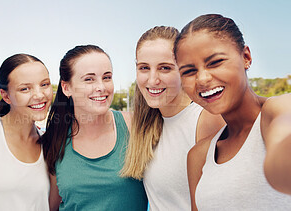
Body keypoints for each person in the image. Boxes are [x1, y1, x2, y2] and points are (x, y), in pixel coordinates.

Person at [174, 14, 291, 210]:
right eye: (188, 71)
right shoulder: (198, 155)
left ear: (246, 57)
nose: (202, 79)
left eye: (215, 62)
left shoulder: (276, 110)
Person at [120, 26, 224, 210]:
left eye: (165, 68)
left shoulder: (206, 121)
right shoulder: (144, 127)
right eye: (144, 68)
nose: (152, 80)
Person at [40, 45, 148, 210]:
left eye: (107, 77)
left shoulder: (134, 126)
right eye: (89, 79)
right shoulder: (54, 139)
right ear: (66, 87)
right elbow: (51, 205)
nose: (101, 87)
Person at [0, 53, 53, 210]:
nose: (39, 95)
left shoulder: (49, 144)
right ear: (6, 96)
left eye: (44, 84)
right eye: (25, 88)